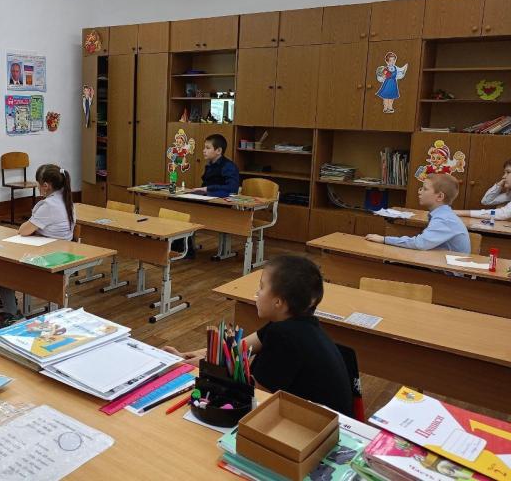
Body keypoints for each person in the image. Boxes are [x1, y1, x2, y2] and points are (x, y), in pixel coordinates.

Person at [165, 255, 353, 416]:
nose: (257, 293)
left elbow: (258, 397)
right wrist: (186, 358)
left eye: (262, 287)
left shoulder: (286, 336)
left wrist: (194, 368)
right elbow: (234, 349)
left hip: (316, 428)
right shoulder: (291, 324)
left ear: (278, 302)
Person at [0, 164, 75, 327]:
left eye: (38, 184)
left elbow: (23, 230)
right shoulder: (66, 199)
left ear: (46, 186)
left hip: (48, 259)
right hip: (59, 253)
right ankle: (7, 301)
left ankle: (12, 313)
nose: (37, 187)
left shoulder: (49, 205)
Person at [366, 173, 470, 252]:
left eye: (425, 189)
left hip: (447, 272)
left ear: (440, 196)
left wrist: (384, 239)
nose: (419, 192)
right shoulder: (442, 214)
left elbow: (420, 244)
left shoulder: (444, 219)